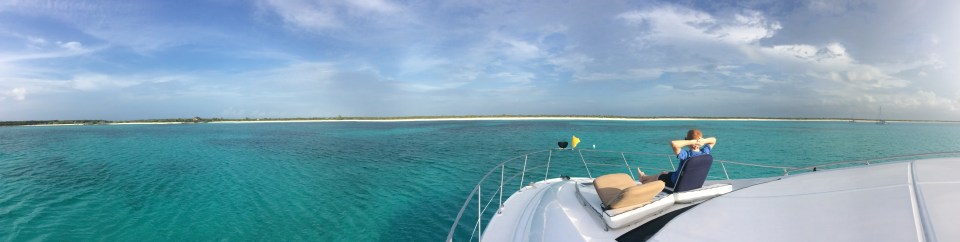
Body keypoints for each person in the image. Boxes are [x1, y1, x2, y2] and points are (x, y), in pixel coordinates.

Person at [638, 129, 717, 186]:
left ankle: (644, 180)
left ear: (687, 140)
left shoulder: (687, 155)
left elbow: (673, 143)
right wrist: (702, 141)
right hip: (694, 181)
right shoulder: (705, 152)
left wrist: (691, 141)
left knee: (660, 176)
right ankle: (643, 177)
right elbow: (714, 140)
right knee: (664, 173)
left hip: (677, 182)